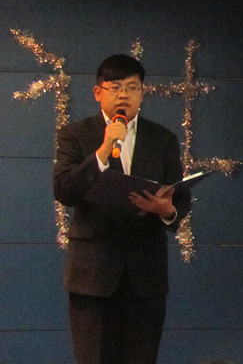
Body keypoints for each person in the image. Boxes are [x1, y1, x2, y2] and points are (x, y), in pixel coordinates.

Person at [54, 54, 191, 364]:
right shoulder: (75, 134)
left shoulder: (163, 139)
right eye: (115, 87)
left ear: (142, 93)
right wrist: (103, 151)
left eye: (132, 87)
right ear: (98, 92)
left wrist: (166, 210)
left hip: (145, 277)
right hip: (93, 277)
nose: (124, 95)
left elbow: (180, 198)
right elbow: (64, 190)